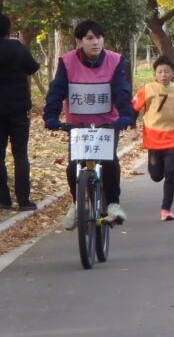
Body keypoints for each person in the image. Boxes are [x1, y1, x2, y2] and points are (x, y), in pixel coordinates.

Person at [43, 20, 133, 230]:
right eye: (90, 38)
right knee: (74, 164)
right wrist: (51, 116)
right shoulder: (67, 61)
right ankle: (77, 205)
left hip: (108, 124)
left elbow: (122, 90)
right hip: (79, 126)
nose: (96, 42)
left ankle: (113, 204)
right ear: (79, 41)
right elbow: (57, 90)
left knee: (109, 161)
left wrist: (126, 116)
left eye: (99, 37)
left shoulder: (115, 60)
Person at [130, 56, 174, 221]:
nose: (163, 75)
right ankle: (157, 166)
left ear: (173, 73)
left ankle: (166, 209)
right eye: (160, 72)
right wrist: (133, 128)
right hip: (153, 136)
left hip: (172, 136)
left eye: (167, 71)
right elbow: (133, 109)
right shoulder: (147, 89)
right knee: (156, 176)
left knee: (170, 172)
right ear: (155, 74)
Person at [0, 14, 40, 211]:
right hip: (18, 109)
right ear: (9, 30)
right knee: (20, 155)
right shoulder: (18, 48)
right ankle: (23, 200)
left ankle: (3, 199)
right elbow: (33, 68)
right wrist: (22, 45)